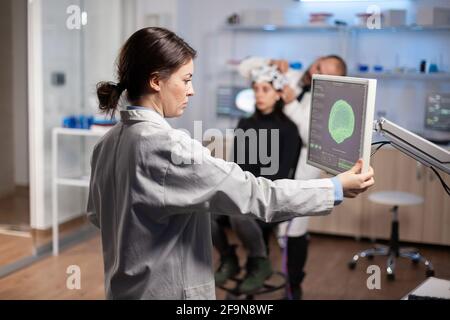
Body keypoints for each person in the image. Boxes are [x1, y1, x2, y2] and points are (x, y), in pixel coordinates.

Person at [87, 27, 375, 300]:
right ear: (156, 81)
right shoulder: (169, 148)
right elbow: (259, 196)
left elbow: (97, 215)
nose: (192, 90)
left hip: (124, 289)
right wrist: (335, 188)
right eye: (186, 79)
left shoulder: (107, 143)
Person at [238, 55, 348, 299]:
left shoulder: (325, 103)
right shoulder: (292, 77)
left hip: (299, 174)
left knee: (293, 233)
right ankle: (257, 268)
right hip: (272, 165)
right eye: (317, 64)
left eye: (323, 72)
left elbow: (314, 137)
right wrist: (269, 62)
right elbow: (247, 70)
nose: (314, 71)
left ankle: (293, 285)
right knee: (258, 221)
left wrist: (290, 104)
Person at [212, 63, 302, 295]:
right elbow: (236, 166)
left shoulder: (289, 129)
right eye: (256, 89)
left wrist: (247, 193)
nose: (259, 95)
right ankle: (228, 257)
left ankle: (259, 262)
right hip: (242, 190)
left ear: (279, 93)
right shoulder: (245, 123)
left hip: (270, 196)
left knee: (238, 215)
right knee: (203, 210)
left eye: (265, 89)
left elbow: (281, 175)